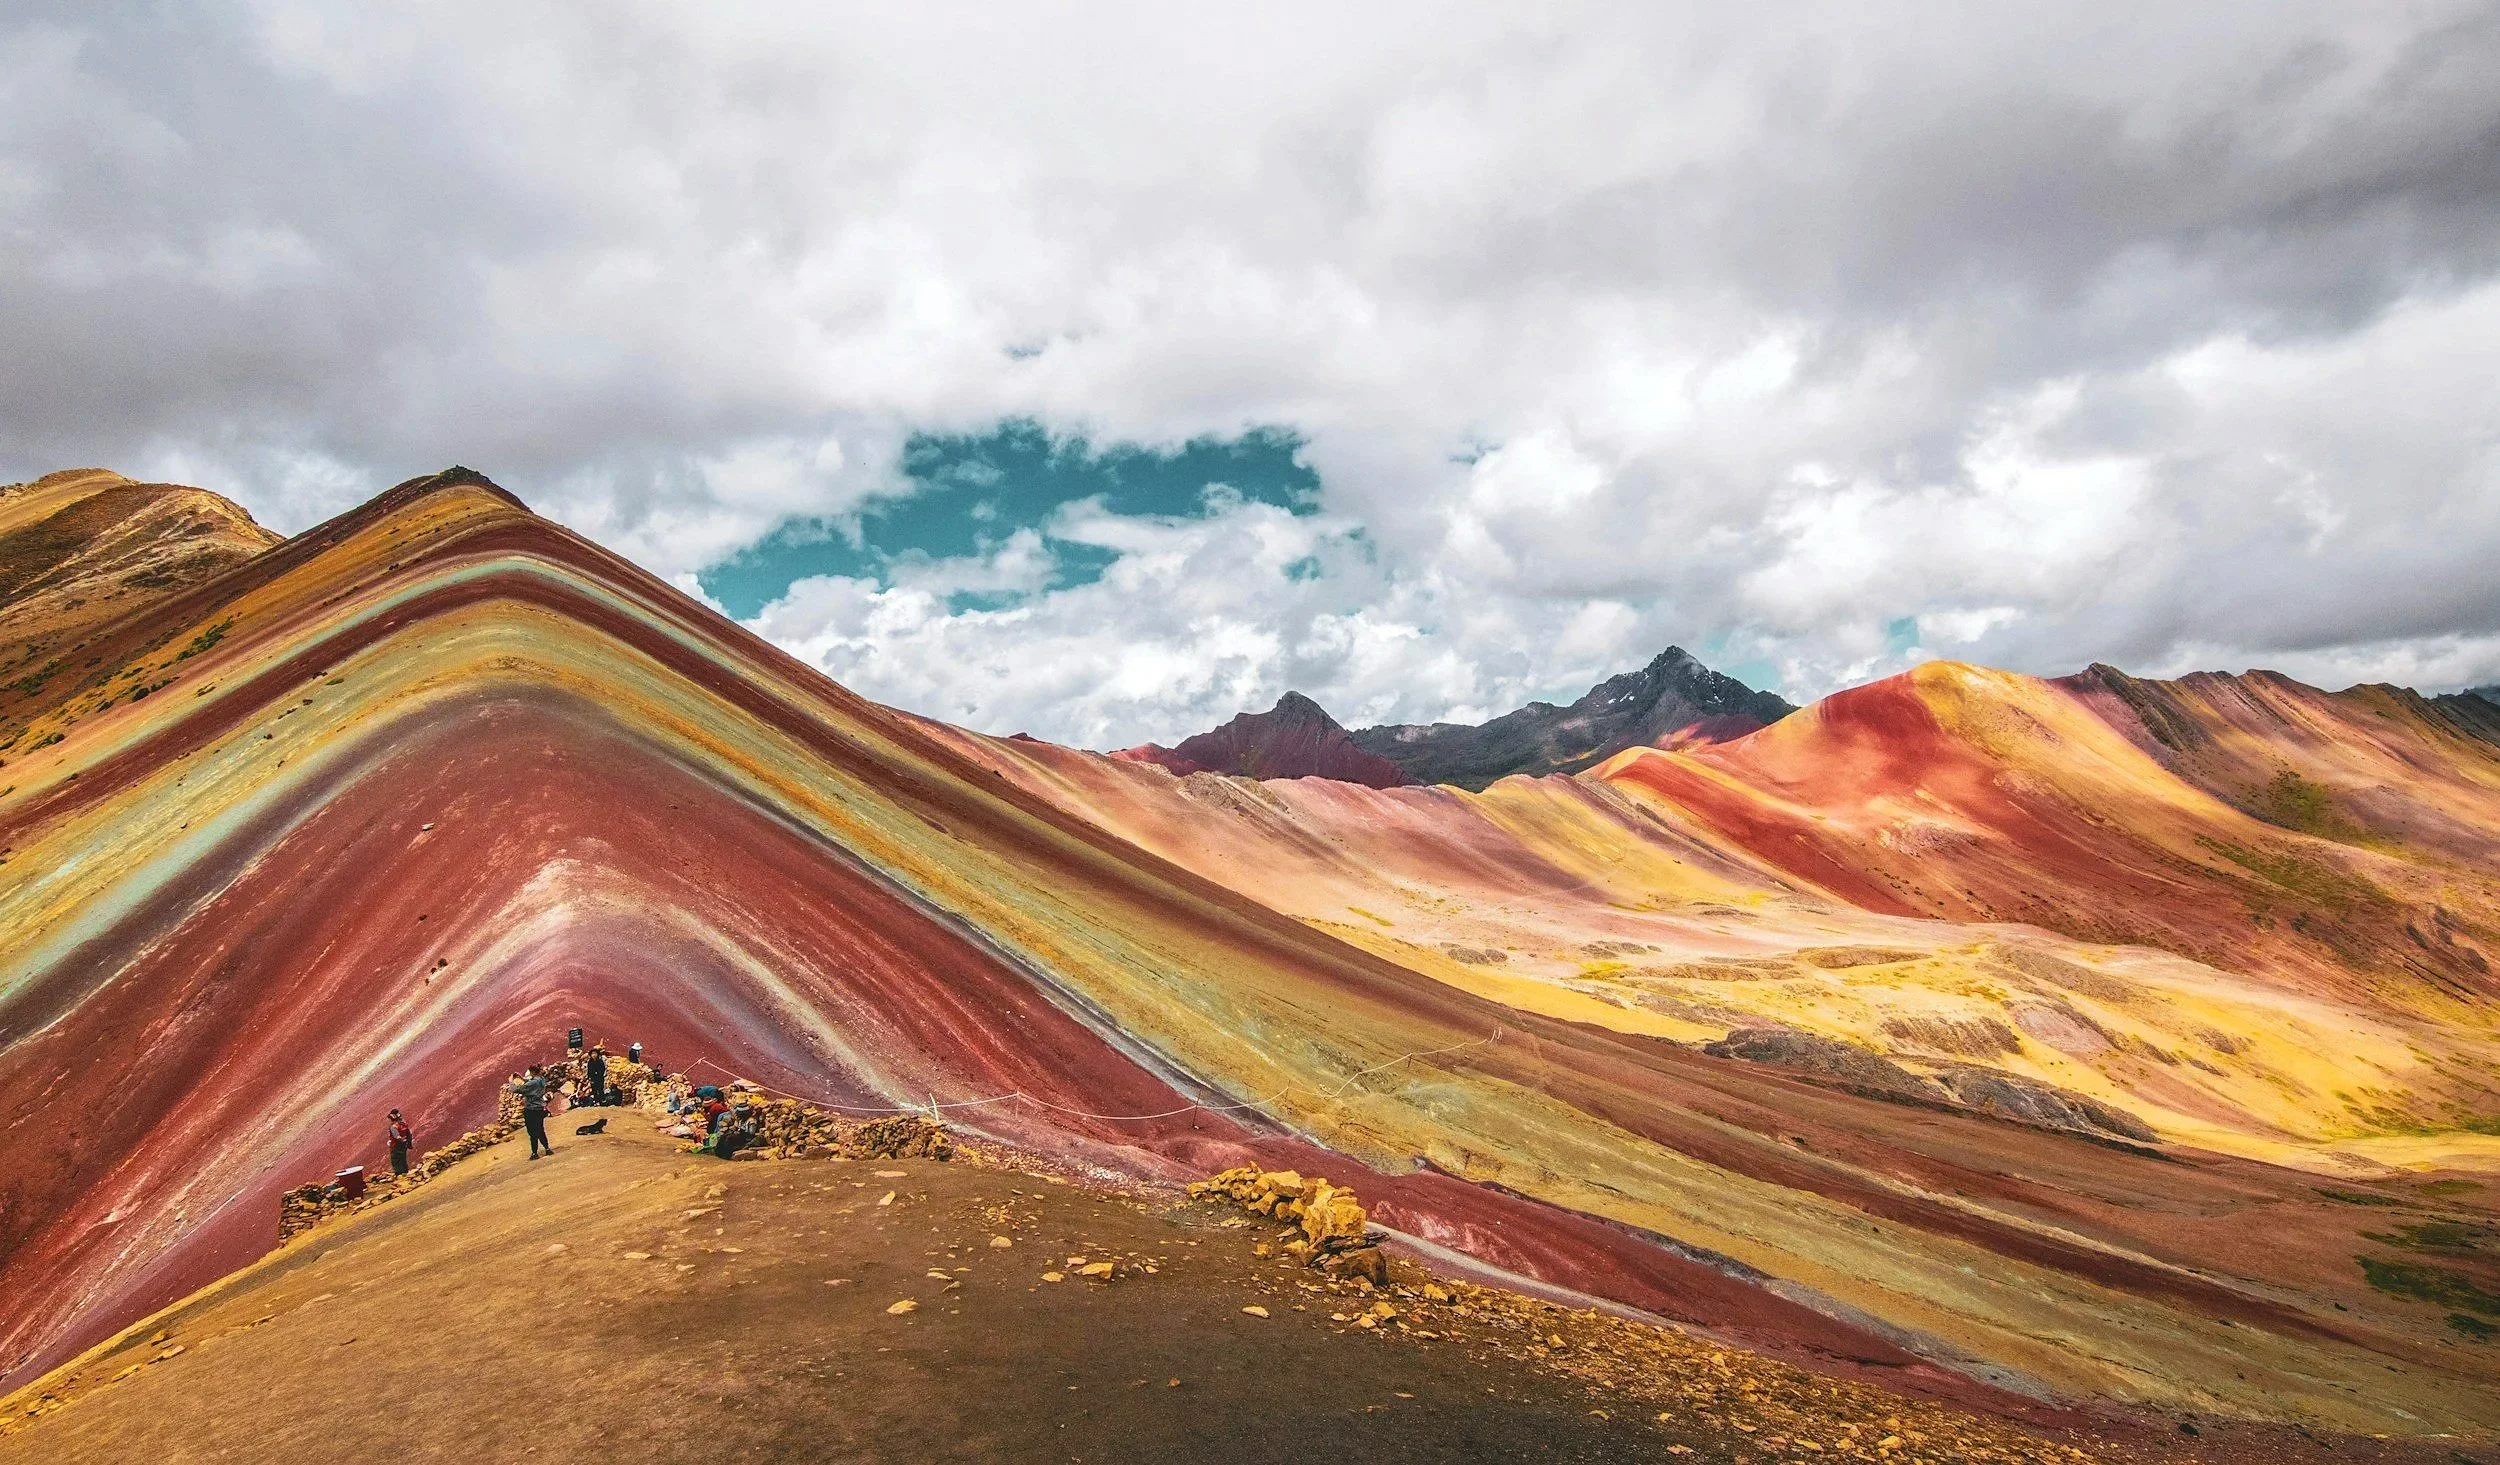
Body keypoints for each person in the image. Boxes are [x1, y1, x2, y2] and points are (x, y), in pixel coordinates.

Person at [510, 1064, 554, 1159]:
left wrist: (511, 1081)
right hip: (539, 1108)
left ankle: (534, 1153)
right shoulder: (541, 1079)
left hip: (531, 1109)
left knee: (532, 1132)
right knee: (540, 1129)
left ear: (532, 1072)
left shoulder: (533, 1082)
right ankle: (547, 1148)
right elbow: (530, 1082)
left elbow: (516, 1089)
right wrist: (521, 1078)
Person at [385, 1108, 413, 1177]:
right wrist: (408, 1142)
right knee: (403, 1158)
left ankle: (400, 1175)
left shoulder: (393, 1127)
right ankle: (405, 1171)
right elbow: (408, 1133)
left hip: (396, 1145)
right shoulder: (403, 1123)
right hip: (404, 1144)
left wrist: (400, 1140)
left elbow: (397, 1136)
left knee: (396, 1160)